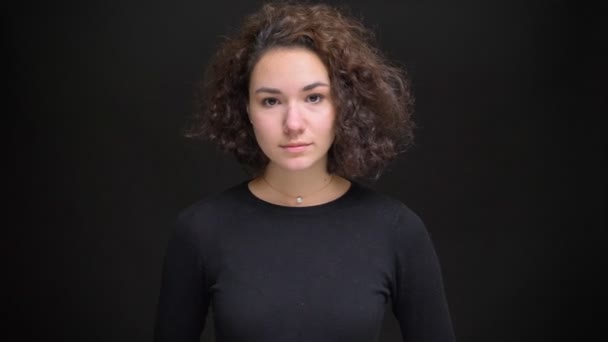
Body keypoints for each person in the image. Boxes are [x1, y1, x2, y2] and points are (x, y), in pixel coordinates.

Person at [154, 2, 455, 341]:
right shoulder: (200, 231)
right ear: (246, 110)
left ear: (343, 104)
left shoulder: (397, 231)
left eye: (313, 98)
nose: (293, 124)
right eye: (271, 101)